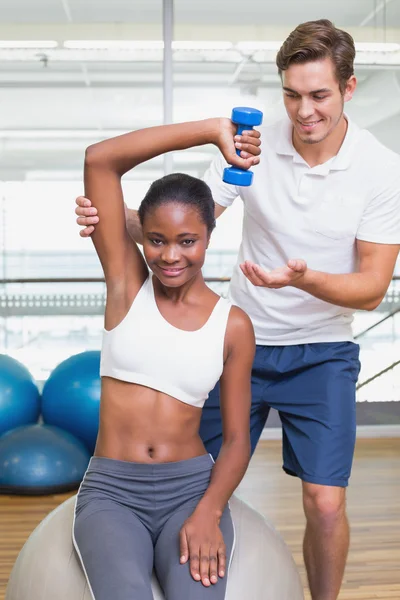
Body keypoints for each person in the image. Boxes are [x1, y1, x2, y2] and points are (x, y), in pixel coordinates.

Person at [75, 19, 400, 600]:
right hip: (236, 342)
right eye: (292, 95)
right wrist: (115, 222)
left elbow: (372, 289)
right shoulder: (252, 144)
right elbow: (186, 225)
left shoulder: (381, 171)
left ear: (348, 89)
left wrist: (306, 279)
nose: (304, 112)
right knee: (190, 465)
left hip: (320, 348)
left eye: (319, 95)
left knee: (325, 501)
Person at [72, 121, 257, 600]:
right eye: (156, 240)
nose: (170, 256)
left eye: (186, 241)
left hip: (190, 489)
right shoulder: (127, 285)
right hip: (113, 491)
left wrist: (209, 511)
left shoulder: (232, 325)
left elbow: (237, 439)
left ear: (208, 235)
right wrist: (212, 131)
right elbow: (100, 159)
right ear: (142, 237)